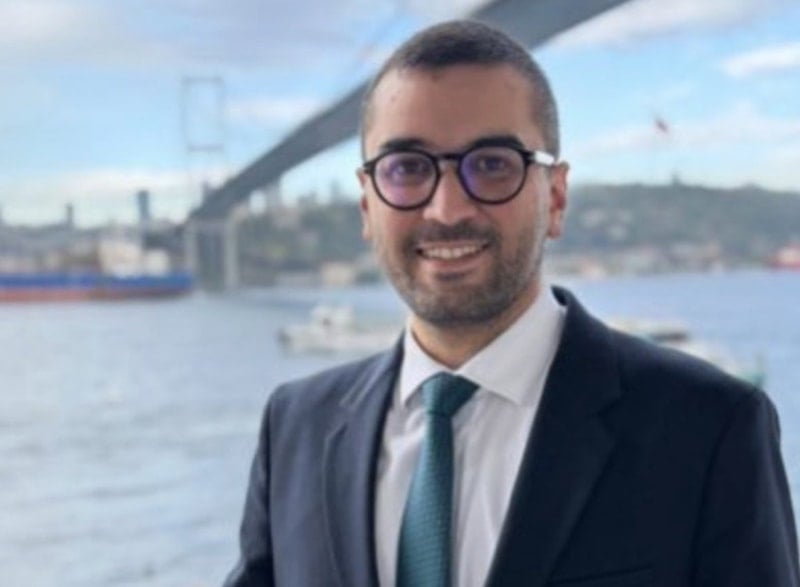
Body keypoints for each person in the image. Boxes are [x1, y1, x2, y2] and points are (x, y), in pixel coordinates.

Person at [223, 20, 799, 587]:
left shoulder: (709, 428)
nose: (447, 209)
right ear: (368, 206)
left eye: (493, 164)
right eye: (407, 169)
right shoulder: (295, 428)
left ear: (556, 197)